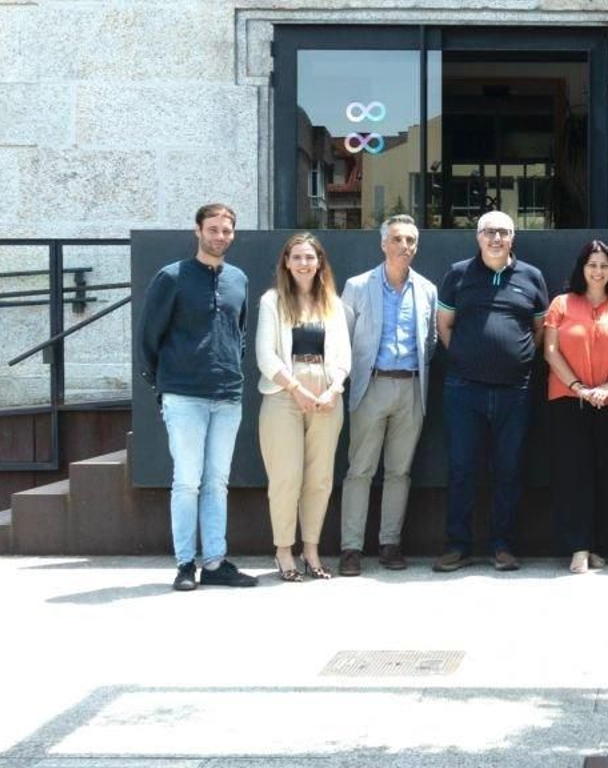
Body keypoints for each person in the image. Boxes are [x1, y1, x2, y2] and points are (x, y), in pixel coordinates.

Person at [138, 203, 258, 592]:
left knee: (217, 482)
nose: (220, 236)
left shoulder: (238, 279)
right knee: (187, 482)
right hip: (184, 395)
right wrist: (164, 384)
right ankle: (185, 564)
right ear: (197, 231)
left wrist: (230, 369)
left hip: (227, 395)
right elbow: (148, 337)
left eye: (226, 230)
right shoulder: (171, 277)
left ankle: (216, 562)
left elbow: (239, 334)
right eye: (213, 229)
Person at [432, 211, 550, 573]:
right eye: (489, 232)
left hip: (515, 390)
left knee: (509, 470)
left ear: (513, 237)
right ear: (478, 237)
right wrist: (466, 357)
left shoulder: (532, 277)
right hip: (463, 389)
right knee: (461, 468)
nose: (496, 238)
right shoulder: (458, 274)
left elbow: (540, 329)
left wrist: (517, 358)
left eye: (503, 232)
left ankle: (503, 546)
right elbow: (444, 325)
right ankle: (458, 546)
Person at [337, 214, 439, 577]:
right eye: (397, 239)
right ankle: (351, 548)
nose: (404, 246)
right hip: (371, 386)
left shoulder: (427, 289)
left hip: (411, 388)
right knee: (360, 470)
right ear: (383, 244)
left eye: (411, 240)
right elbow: (342, 339)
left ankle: (390, 543)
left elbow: (430, 341)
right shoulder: (357, 286)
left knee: (400, 471)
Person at [542, 240, 608, 574]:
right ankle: (578, 546)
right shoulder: (561, 303)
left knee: (606, 473)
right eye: (592, 265)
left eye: (604, 266)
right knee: (573, 473)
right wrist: (579, 388)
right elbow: (550, 351)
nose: (598, 271)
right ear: (582, 268)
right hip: (568, 400)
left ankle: (600, 544)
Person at [255, 233, 352, 581]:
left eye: (310, 257)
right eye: (296, 257)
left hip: (326, 394)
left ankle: (311, 550)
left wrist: (335, 389)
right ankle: (283, 551)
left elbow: (344, 355)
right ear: (286, 262)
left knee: (320, 479)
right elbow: (265, 355)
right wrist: (295, 389)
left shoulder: (332, 303)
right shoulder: (272, 301)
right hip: (284, 392)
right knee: (286, 478)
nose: (303, 263)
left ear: (319, 262)